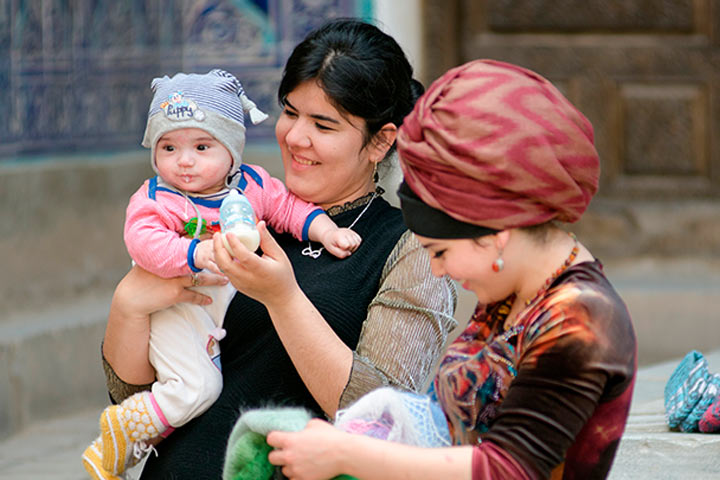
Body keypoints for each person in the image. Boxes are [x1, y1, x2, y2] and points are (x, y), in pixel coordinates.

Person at [97, 19, 458, 479]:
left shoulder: (410, 249)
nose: (295, 137)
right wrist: (127, 307)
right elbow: (134, 401)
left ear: (380, 141)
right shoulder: (239, 208)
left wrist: (283, 298)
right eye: (291, 112)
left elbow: (377, 419)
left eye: (323, 124)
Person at [264, 59, 638, 480]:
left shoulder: (580, 319)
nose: (438, 271)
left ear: (494, 232)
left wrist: (346, 454)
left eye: (439, 252)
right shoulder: (514, 291)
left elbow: (509, 469)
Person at [81, 69, 362, 479]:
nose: (185, 160)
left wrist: (327, 231)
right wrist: (196, 252)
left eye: (201, 145)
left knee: (203, 385)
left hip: (217, 315)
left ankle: (136, 436)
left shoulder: (251, 186)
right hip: (176, 308)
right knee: (196, 388)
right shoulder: (159, 197)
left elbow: (288, 210)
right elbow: (144, 243)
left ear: (232, 149)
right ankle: (122, 431)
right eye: (169, 147)